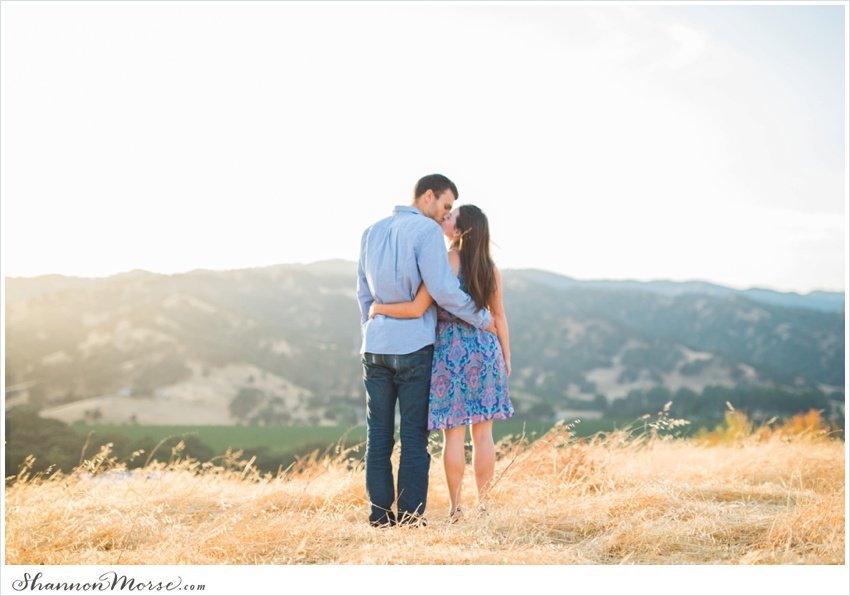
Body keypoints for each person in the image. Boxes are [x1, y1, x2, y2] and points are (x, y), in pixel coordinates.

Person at [356, 174, 494, 528]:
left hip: (375, 347)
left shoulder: (371, 232)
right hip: (414, 346)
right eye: (446, 205)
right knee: (414, 437)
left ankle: (380, 518)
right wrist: (482, 317)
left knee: (378, 437)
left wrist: (370, 331)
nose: (445, 214)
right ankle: (409, 520)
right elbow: (443, 290)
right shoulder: (427, 232)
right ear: (428, 195)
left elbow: (364, 295)